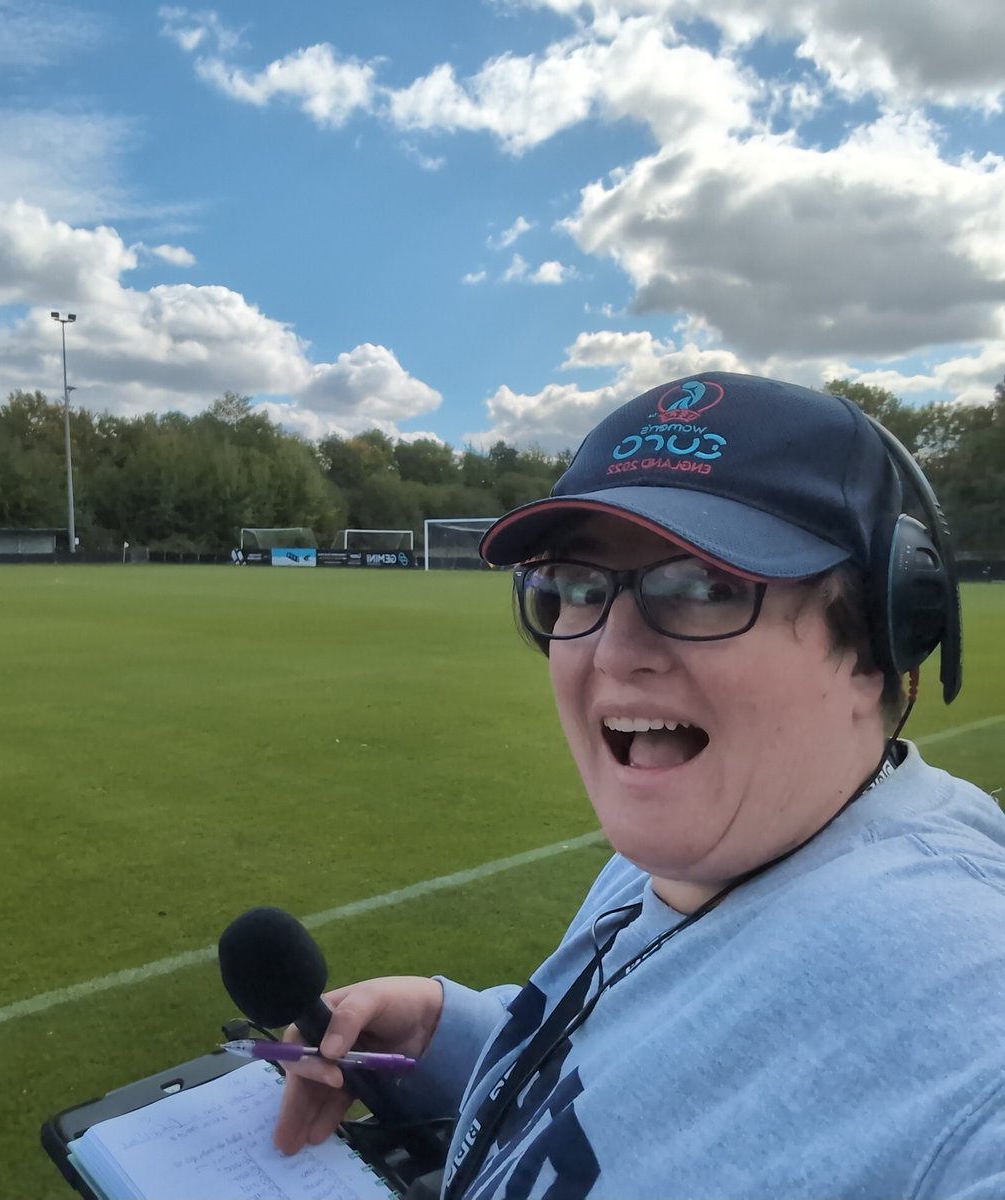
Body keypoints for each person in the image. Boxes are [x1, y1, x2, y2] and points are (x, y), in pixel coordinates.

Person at [273, 373, 1005, 1198]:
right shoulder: (700, 844)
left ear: (886, 632)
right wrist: (450, 1033)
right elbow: (648, 1070)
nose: (612, 653)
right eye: (578, 587)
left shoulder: (962, 996)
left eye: (702, 587)